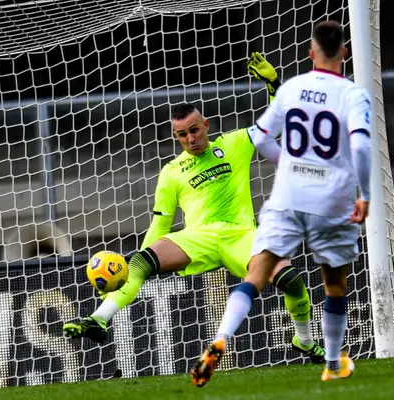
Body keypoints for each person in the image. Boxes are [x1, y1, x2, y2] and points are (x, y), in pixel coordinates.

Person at [63, 56, 325, 365]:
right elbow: (160, 225)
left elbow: (277, 123)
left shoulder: (234, 143)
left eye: (194, 130)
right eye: (182, 135)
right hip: (197, 237)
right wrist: (137, 270)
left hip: (241, 234)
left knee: (292, 280)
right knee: (141, 260)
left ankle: (304, 340)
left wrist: (273, 84)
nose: (190, 139)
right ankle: (99, 318)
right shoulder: (172, 172)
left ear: (206, 126)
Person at [191, 20, 372, 387]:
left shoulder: (292, 88)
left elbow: (259, 138)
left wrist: (287, 161)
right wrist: (364, 194)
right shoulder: (354, 95)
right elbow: (361, 146)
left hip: (288, 195)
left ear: (310, 53)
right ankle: (334, 363)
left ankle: (221, 337)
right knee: (334, 285)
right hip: (331, 197)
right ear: (345, 52)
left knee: (256, 274)